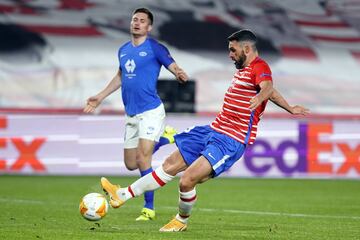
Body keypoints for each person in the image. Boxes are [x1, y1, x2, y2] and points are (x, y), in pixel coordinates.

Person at [100, 29, 309, 232]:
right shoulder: (244, 71)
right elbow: (270, 92)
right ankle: (122, 195)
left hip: (230, 140)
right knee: (170, 164)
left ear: (246, 48)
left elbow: (267, 87)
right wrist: (289, 107)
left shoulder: (260, 66)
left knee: (187, 180)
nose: (230, 55)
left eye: (233, 50)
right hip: (212, 129)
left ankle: (181, 220)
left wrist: (260, 97)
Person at [83, 7, 188, 221]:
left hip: (151, 111)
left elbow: (173, 66)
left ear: (149, 27)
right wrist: (100, 96)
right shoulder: (123, 50)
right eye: (134, 20)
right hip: (131, 114)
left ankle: (148, 209)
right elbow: (120, 76)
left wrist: (179, 73)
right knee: (131, 163)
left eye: (142, 21)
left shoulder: (155, 48)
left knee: (142, 159)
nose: (137, 23)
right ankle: (165, 138)